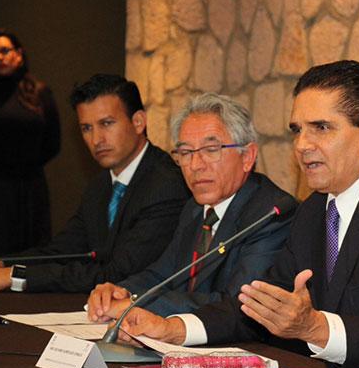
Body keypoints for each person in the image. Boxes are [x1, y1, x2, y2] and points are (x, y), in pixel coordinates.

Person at [117, 60, 359, 368]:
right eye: (297, 130)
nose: (302, 145)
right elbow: (262, 302)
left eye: (321, 128)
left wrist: (314, 327)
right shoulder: (314, 209)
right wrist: (174, 329)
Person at [86, 93, 297, 319]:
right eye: (186, 152)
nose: (195, 165)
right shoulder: (194, 209)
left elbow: (238, 304)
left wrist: (139, 305)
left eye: (211, 150)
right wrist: (121, 291)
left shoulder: (270, 215)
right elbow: (162, 275)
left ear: (247, 156)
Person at [0, 74, 191, 293]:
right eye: (86, 128)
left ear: (138, 122)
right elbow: (61, 252)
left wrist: (13, 276)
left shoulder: (167, 185)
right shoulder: (100, 185)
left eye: (106, 124)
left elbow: (116, 275)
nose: (96, 139)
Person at [0, 29, 60, 255]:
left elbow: (53, 142)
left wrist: (27, 164)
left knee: (32, 251)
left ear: (19, 54)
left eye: (5, 50)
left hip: (30, 186)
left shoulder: (39, 92)